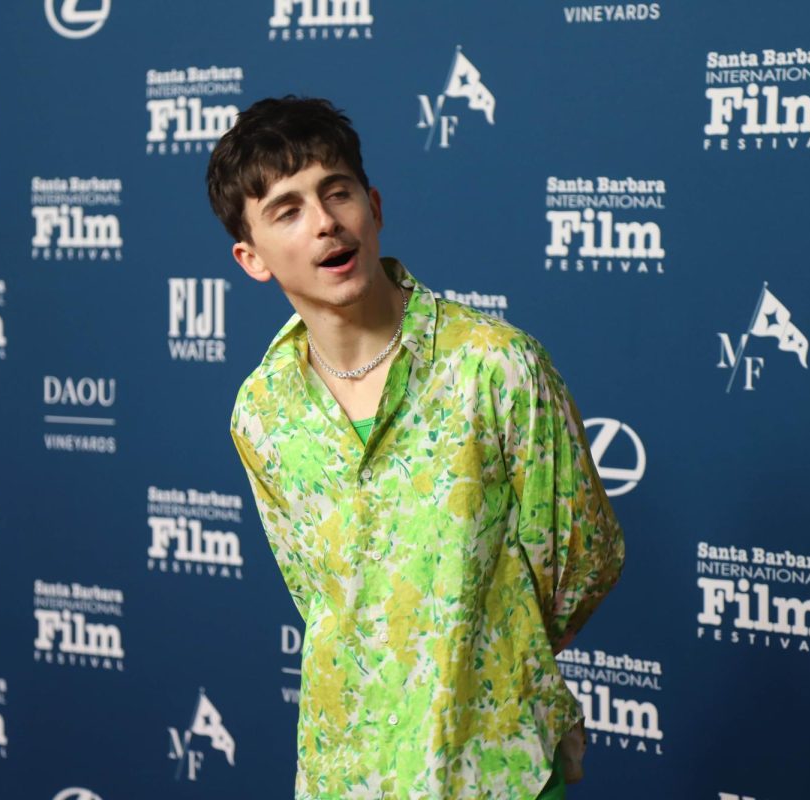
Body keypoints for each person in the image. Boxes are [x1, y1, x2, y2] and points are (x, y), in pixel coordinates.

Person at [208, 96, 624, 800]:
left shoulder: (496, 364)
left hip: (501, 768)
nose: (325, 224)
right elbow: (316, 593)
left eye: (336, 193)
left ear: (372, 205)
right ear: (251, 258)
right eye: (287, 210)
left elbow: (582, 561)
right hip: (349, 774)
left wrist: (492, 656)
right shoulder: (261, 411)